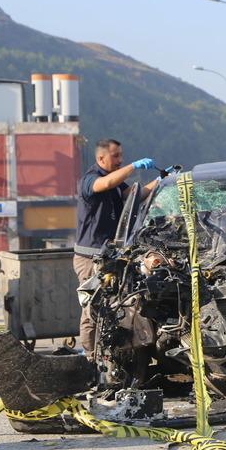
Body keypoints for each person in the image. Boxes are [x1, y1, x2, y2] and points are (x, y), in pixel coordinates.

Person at [74, 138, 157, 361]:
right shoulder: (90, 179)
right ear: (101, 158)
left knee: (115, 306)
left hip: (111, 256)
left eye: (122, 156)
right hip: (90, 258)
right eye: (116, 156)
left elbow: (133, 194)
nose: (120, 160)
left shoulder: (115, 183)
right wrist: (134, 167)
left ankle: (113, 355)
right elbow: (105, 184)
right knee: (92, 308)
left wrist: (161, 181)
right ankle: (91, 358)